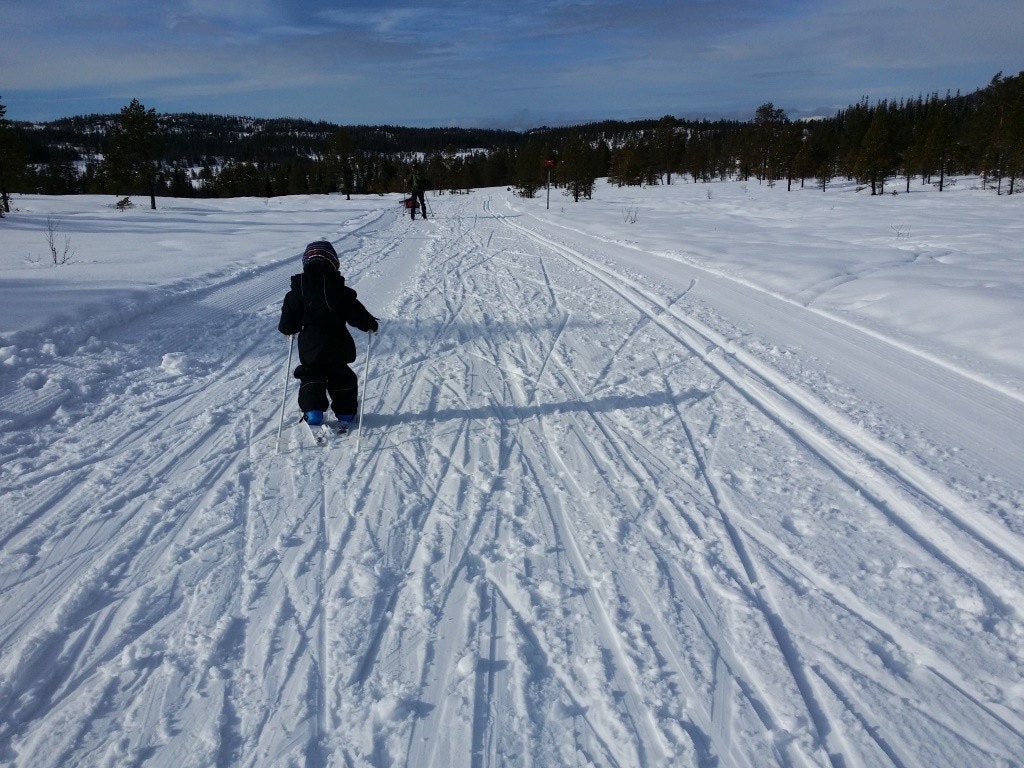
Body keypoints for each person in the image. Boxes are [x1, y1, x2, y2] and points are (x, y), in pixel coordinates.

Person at [278, 240, 378, 429]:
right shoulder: (340, 291)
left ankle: (313, 411)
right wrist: (370, 324)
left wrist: (290, 329)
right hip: (338, 342)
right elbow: (356, 313)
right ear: (334, 263)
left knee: (311, 374)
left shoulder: (296, 292)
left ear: (306, 263)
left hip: (310, 345)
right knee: (341, 376)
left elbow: (287, 325)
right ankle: (346, 413)